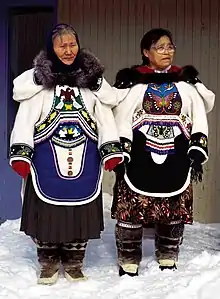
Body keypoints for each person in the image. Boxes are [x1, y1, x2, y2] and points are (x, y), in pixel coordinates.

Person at [9, 23, 123, 285]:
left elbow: (105, 114)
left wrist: (110, 149)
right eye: (62, 45)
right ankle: (47, 262)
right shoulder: (38, 83)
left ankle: (74, 262)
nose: (68, 50)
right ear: (52, 48)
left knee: (79, 212)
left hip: (86, 159)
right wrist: (21, 153)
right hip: (45, 159)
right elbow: (25, 117)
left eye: (72, 44)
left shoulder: (90, 82)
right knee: (47, 211)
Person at [111, 28, 215, 276]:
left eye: (170, 46)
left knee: (173, 206)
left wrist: (198, 147)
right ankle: (128, 258)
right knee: (131, 207)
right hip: (139, 155)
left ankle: (168, 254)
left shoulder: (185, 84)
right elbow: (121, 115)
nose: (167, 51)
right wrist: (121, 151)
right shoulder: (134, 83)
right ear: (146, 53)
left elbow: (200, 111)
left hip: (176, 155)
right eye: (160, 47)